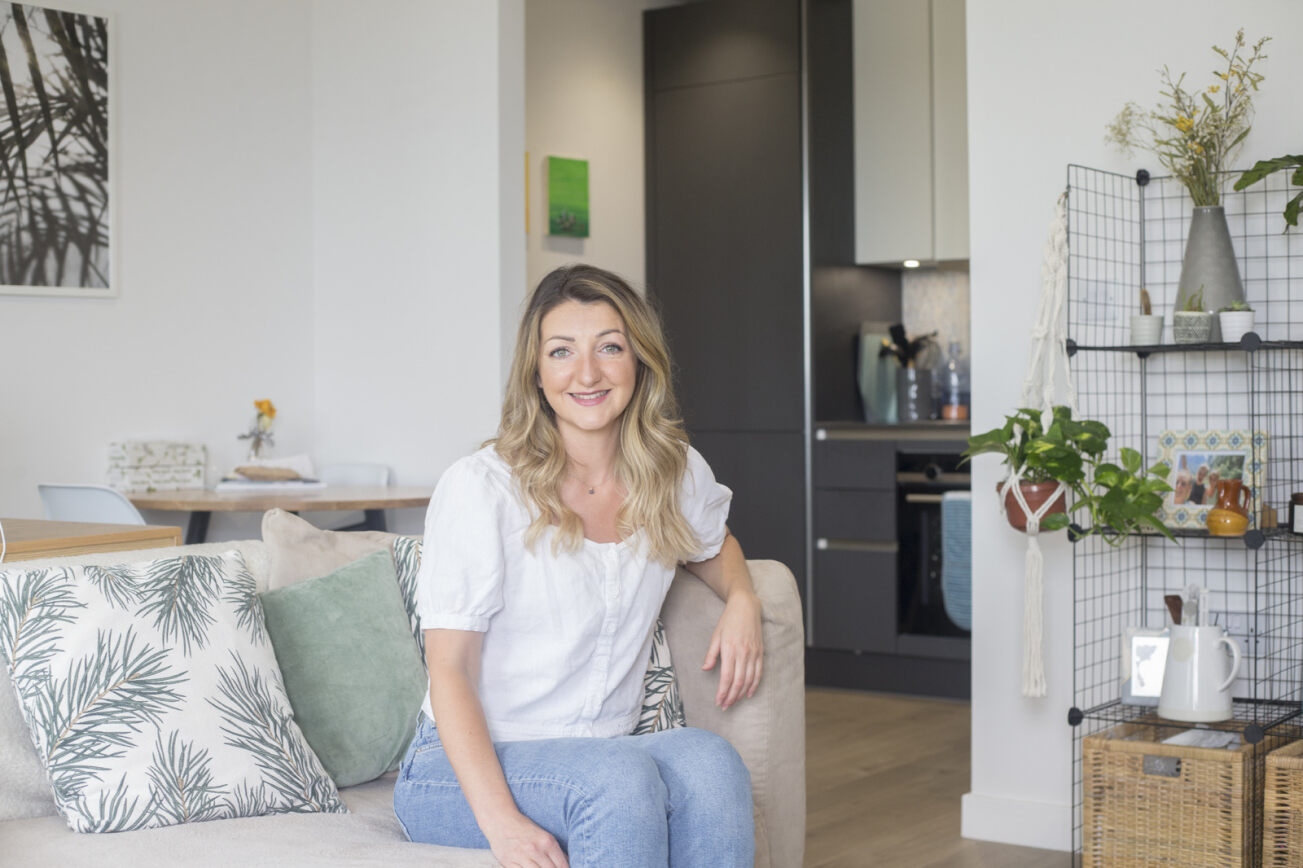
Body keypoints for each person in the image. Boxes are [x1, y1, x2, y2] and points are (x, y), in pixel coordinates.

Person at [393, 264, 762, 868]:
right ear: (537, 374)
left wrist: (743, 599)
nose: (587, 373)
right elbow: (451, 670)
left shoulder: (672, 471)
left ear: (638, 362)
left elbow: (713, 544)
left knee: (710, 762)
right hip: (459, 772)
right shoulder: (481, 488)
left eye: (609, 348)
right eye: (562, 351)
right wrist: (504, 826)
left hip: (598, 751)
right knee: (616, 778)